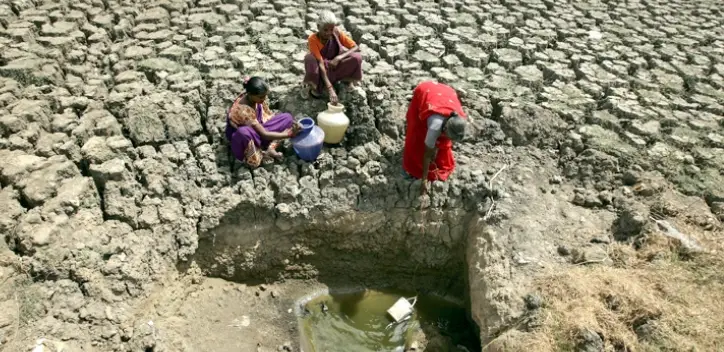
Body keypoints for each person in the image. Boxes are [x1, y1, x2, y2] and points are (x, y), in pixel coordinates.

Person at [402, 81, 469, 196]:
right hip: (425, 90)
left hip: (447, 94)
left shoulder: (460, 119)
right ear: (445, 129)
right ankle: (411, 163)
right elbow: (427, 154)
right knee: (416, 133)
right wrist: (424, 179)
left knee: (441, 144)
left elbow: (447, 138)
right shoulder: (435, 126)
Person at [226, 76, 301, 168]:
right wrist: (288, 134)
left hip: (259, 128)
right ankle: (258, 152)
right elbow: (264, 134)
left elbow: (267, 117)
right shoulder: (243, 110)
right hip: (248, 137)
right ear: (250, 94)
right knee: (243, 133)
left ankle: (269, 148)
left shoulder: (254, 99)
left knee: (287, 118)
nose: (264, 99)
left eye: (265, 96)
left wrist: (292, 124)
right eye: (261, 97)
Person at [303, 10, 362, 104]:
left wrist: (339, 58)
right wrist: (330, 89)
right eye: (325, 30)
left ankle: (345, 80)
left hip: (335, 66)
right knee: (309, 59)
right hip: (321, 70)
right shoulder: (313, 39)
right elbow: (321, 64)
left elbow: (355, 47)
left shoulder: (336, 32)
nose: (328, 33)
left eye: (331, 30)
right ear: (318, 27)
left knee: (357, 57)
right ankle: (317, 87)